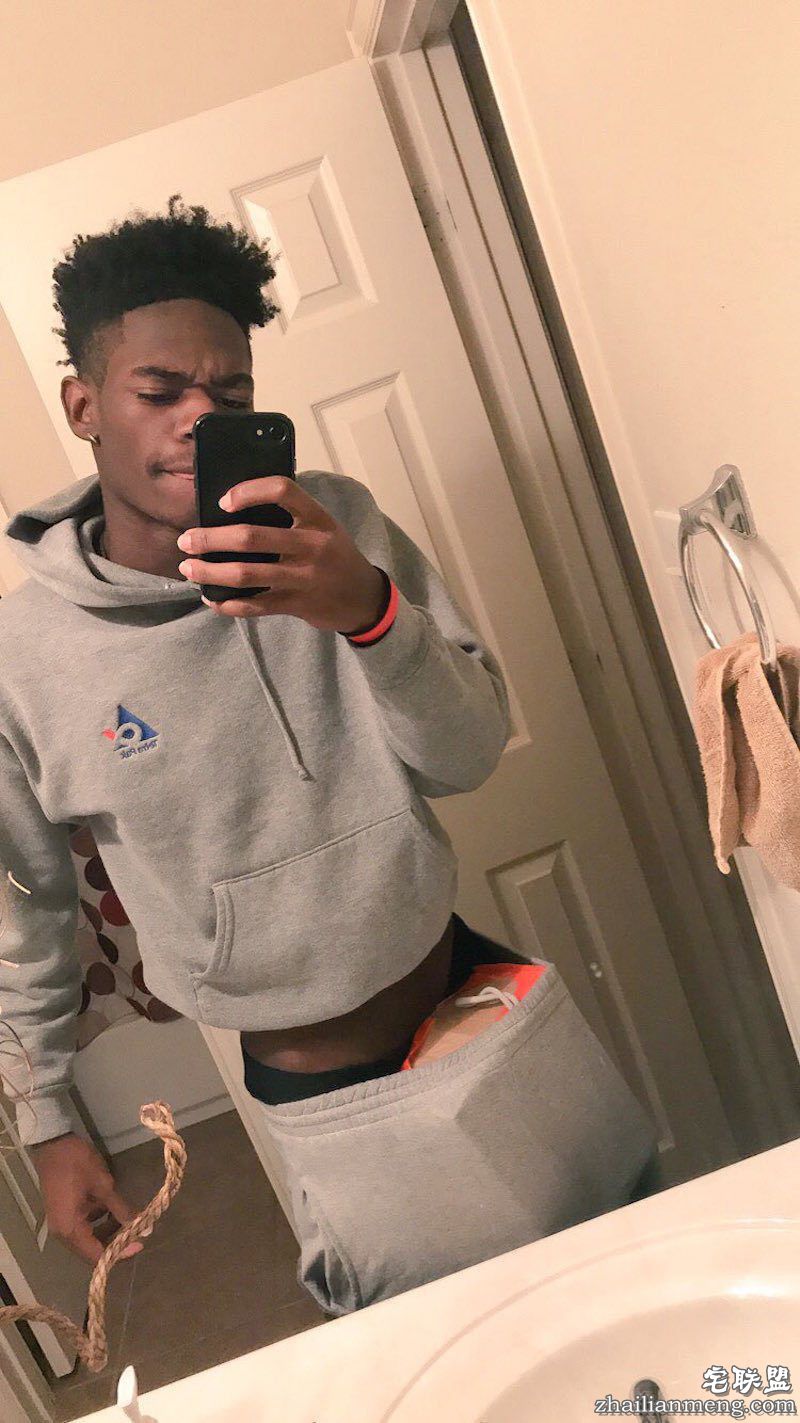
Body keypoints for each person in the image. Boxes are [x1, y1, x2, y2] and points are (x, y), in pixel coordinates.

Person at [0, 195, 656, 1310]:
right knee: (449, 1341)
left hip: (473, 987)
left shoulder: (336, 524)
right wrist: (49, 1121)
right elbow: (26, 909)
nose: (198, 422)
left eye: (231, 397)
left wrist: (367, 611)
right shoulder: (25, 658)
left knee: (630, 1252)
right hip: (319, 1080)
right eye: (160, 392)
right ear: (84, 405)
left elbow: (467, 752)